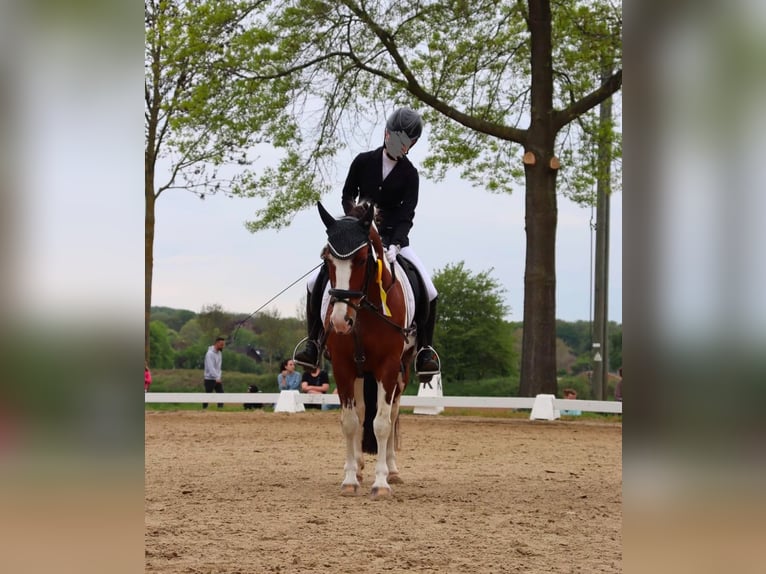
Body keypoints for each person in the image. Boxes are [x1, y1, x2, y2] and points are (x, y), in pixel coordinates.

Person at [294, 107, 440, 377]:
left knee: (429, 289)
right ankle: (313, 343)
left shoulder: (410, 175)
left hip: (394, 241)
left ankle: (424, 351)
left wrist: (395, 245)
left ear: (412, 145)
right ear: (386, 133)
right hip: (357, 236)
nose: (396, 144)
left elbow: (407, 214)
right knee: (314, 282)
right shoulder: (363, 161)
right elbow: (347, 194)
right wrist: (354, 222)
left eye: (403, 142)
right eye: (393, 137)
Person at [202, 336, 225, 409]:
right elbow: (210, 367)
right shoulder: (209, 354)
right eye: (221, 344)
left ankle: (220, 409)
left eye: (223, 344)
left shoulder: (219, 354)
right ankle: (204, 409)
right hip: (209, 378)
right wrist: (216, 377)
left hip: (217, 378)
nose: (223, 346)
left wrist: (219, 377)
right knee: (208, 395)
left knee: (221, 394)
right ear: (216, 344)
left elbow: (219, 367)